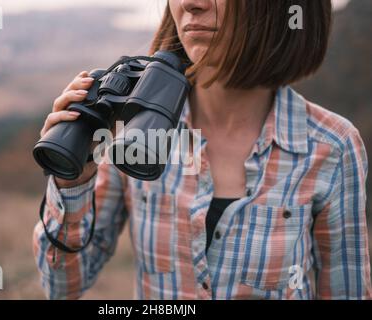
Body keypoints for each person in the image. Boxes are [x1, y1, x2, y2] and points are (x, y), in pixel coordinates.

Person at [33, 0, 371, 299]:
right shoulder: (131, 129)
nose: (192, 4)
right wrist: (72, 183)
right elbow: (62, 287)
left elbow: (347, 290)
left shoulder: (330, 146)